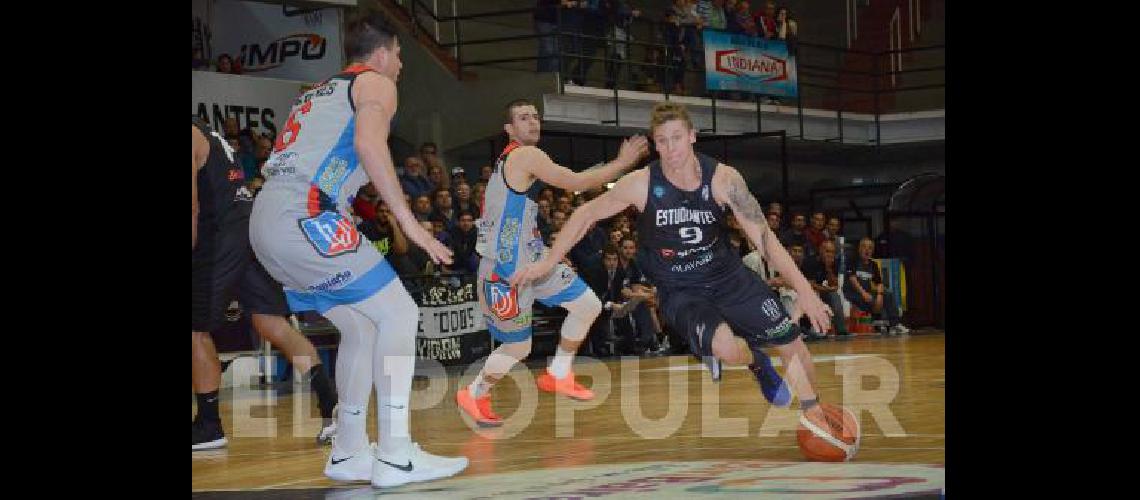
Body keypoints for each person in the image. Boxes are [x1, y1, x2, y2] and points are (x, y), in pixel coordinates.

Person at [513, 101, 841, 424]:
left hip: (729, 278)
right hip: (680, 289)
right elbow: (585, 214)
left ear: (692, 136)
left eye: (677, 138)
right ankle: (756, 362)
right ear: (655, 145)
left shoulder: (723, 179)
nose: (671, 149)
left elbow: (766, 240)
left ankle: (815, 414)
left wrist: (805, 292)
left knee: (789, 339)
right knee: (727, 350)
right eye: (663, 142)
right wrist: (546, 263)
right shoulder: (643, 183)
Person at [247, 15, 467, 488]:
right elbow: (370, 145)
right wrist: (412, 224)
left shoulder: (316, 92)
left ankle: (348, 450)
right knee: (401, 315)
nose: (403, 65)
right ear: (383, 53)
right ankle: (395, 453)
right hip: (304, 215)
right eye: (401, 55)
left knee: (363, 326)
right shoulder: (375, 83)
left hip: (269, 220)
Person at [456, 98, 648, 427]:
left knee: (588, 305)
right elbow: (574, 183)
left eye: (535, 116)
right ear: (509, 130)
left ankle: (558, 373)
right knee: (518, 347)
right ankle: (474, 393)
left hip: (532, 258)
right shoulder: (524, 154)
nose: (532, 122)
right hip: (505, 270)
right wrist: (621, 163)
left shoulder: (518, 161)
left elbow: (569, 182)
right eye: (523, 118)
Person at [192, 119, 339, 451]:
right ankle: (331, 405)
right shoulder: (204, 129)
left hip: (220, 235)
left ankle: (208, 425)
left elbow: (192, 207)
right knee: (271, 323)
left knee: (194, 329)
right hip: (249, 228)